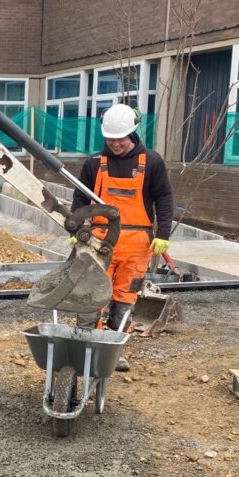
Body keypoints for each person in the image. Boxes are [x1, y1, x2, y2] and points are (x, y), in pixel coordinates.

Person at [72, 103, 173, 371]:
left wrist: (163, 233)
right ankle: (86, 345)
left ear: (132, 133)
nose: (114, 144)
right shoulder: (95, 163)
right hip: (99, 241)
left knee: (125, 297)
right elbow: (80, 198)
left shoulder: (151, 161)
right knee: (92, 294)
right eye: (110, 138)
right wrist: (77, 229)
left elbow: (163, 197)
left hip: (136, 244)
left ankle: (113, 350)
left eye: (120, 138)